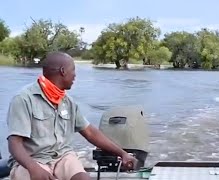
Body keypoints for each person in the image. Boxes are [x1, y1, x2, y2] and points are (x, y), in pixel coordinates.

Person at [6, 52, 138, 180]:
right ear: (63, 71)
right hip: (33, 160)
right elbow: (14, 143)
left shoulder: (67, 101)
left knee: (82, 178)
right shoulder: (24, 99)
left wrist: (122, 153)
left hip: (62, 156)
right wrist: (32, 167)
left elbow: (90, 133)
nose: (75, 75)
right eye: (73, 70)